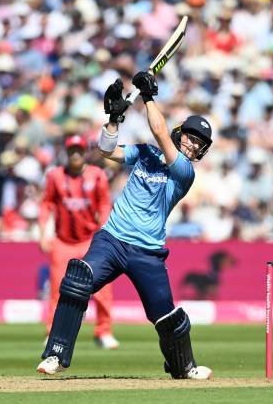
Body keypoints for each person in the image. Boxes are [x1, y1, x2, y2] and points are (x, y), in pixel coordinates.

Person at [37, 72, 213, 380]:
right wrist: (114, 120)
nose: (193, 146)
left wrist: (148, 96)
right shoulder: (145, 153)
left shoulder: (184, 172)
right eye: (190, 137)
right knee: (77, 280)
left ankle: (183, 366)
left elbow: (158, 129)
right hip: (113, 239)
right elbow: (106, 152)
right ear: (180, 133)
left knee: (166, 317)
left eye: (199, 144)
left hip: (147, 250)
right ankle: (56, 355)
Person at [38, 134, 119, 349]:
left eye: (79, 150)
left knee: (102, 289)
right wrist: (43, 232)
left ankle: (104, 331)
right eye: (72, 150)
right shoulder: (55, 176)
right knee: (57, 290)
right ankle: (52, 333)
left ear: (85, 152)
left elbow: (104, 204)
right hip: (63, 242)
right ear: (67, 152)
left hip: (90, 241)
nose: (76, 154)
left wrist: (105, 230)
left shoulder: (97, 175)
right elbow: (46, 204)